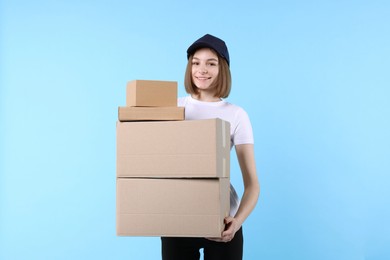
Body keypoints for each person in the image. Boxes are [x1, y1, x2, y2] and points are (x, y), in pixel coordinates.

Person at [161, 34, 260, 260]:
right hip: (178, 217)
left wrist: (236, 223)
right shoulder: (172, 107)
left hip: (222, 219)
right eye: (196, 62)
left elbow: (253, 185)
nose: (201, 70)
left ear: (222, 68)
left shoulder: (236, 115)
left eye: (211, 63)